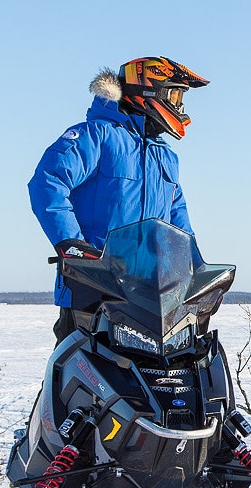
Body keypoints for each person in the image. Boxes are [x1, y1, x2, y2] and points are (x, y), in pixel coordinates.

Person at [29, 57, 209, 343]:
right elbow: (47, 182)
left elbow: (177, 214)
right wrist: (71, 243)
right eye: (174, 94)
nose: (179, 105)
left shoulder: (165, 155)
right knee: (85, 373)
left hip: (152, 297)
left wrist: (192, 266)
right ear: (149, 91)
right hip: (92, 286)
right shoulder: (96, 135)